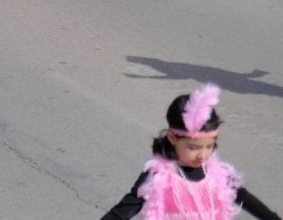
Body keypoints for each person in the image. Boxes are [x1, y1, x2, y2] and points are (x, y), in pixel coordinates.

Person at [101, 83, 279, 219]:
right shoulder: (157, 177)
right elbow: (122, 211)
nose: (202, 154)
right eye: (193, 147)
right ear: (172, 137)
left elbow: (243, 197)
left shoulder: (217, 174)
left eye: (209, 146)